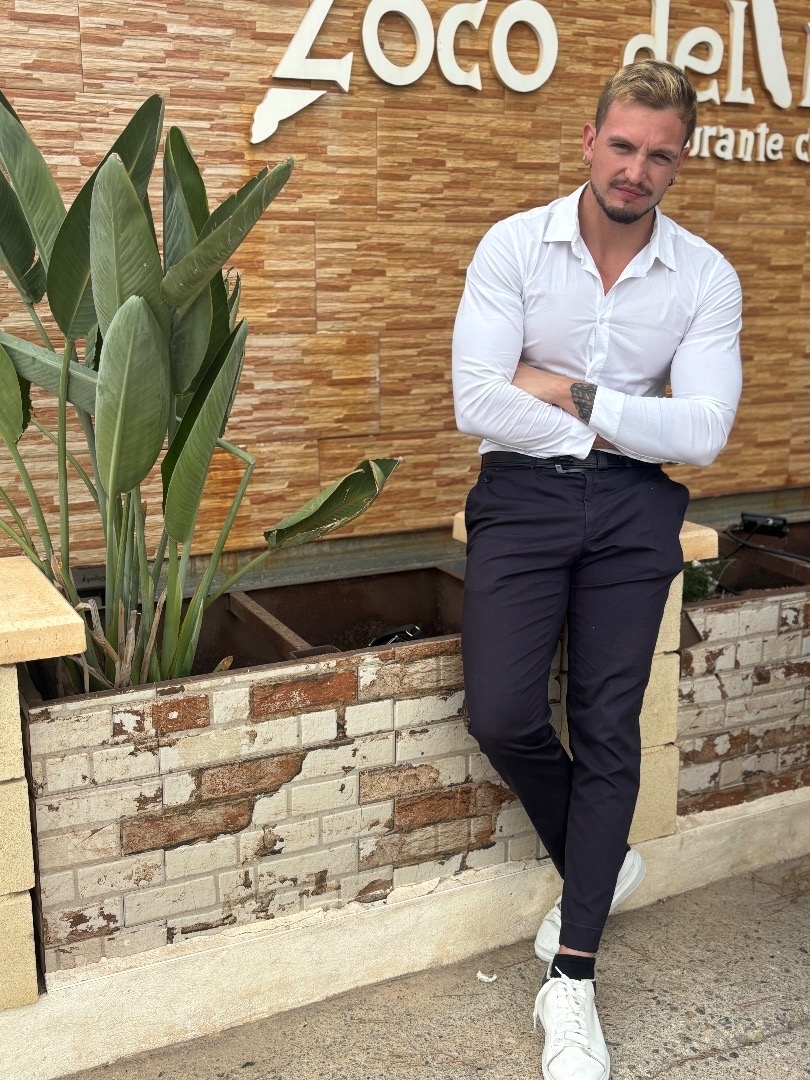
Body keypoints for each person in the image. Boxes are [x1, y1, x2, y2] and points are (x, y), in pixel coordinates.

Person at [452, 60, 742, 1080]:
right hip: (522, 496)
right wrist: (620, 420)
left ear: (680, 161)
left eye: (659, 154)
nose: (635, 169)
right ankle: (601, 859)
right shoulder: (512, 247)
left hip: (634, 507)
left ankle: (571, 979)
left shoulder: (704, 277)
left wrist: (566, 392)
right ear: (588, 141)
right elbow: (477, 400)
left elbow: (702, 434)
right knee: (502, 712)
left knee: (609, 725)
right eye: (622, 145)